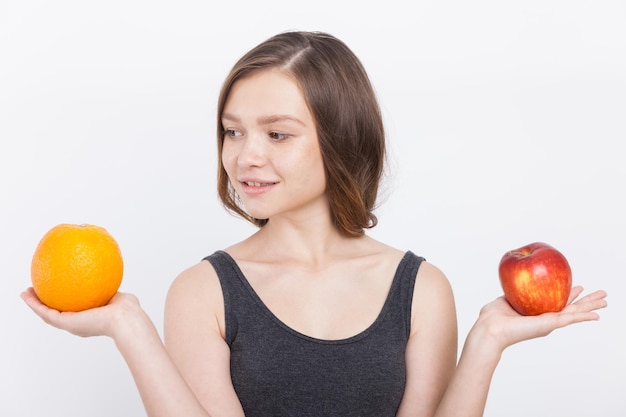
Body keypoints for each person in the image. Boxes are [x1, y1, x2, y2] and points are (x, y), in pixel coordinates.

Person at [21, 31, 607, 417]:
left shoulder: (421, 289)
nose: (245, 155)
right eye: (233, 130)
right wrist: (130, 326)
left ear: (340, 140)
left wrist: (488, 342)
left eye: (277, 134)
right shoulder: (203, 292)